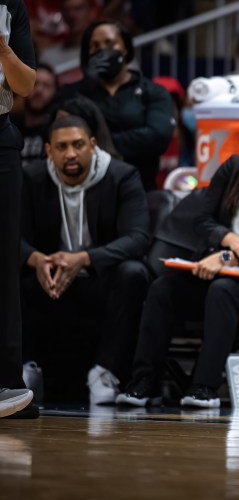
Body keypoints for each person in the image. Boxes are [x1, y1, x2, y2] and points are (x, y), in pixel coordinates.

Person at [118, 112, 239, 408]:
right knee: (164, 288)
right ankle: (143, 382)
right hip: (216, 270)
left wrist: (226, 256)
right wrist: (231, 241)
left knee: (223, 291)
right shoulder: (235, 168)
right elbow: (202, 220)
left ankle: (203, 387)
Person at [19, 114, 150, 404]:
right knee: (11, 271)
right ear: (48, 151)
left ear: (93, 145)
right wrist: (35, 258)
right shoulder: (31, 178)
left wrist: (86, 258)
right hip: (49, 278)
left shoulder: (122, 175)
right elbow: (10, 237)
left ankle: (106, 372)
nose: (71, 154)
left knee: (133, 272)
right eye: (62, 147)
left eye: (78, 145)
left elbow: (138, 238)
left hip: (101, 278)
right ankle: (23, 369)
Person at [57, 20, 175, 191]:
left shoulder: (153, 91)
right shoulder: (74, 92)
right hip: (85, 189)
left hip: (140, 187)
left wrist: (99, 144)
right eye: (95, 46)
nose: (102, 50)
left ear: (125, 48)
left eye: (110, 43)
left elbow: (158, 136)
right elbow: (60, 132)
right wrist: (87, 87)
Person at [0, 0, 38, 418]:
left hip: (1, 142)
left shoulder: (10, 7)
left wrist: (2, 49)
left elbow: (25, 86)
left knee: (3, 264)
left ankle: (7, 382)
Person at [11, 63, 58, 167]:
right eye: (34, 84)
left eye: (46, 86)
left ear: (55, 92)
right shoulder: (9, 126)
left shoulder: (57, 129)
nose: (39, 90)